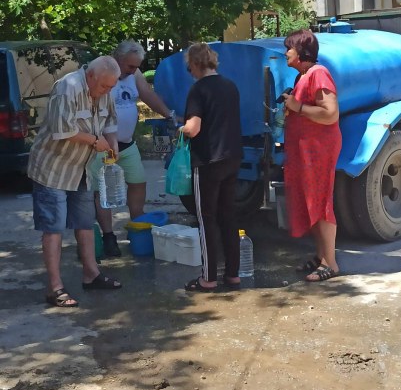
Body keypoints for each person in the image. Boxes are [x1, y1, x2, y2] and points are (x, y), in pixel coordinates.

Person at [28, 56, 123, 308]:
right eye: (104, 86)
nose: (107, 91)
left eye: (111, 87)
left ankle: (91, 274)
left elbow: (110, 122)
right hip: (52, 169)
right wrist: (94, 141)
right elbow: (62, 130)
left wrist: (112, 143)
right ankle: (55, 287)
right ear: (91, 76)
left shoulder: (106, 88)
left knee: (84, 222)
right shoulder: (67, 87)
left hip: (82, 168)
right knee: (54, 226)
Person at [89, 40, 175, 257]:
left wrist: (169, 115)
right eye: (130, 66)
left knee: (138, 183)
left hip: (127, 144)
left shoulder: (134, 76)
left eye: (137, 66)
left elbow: (147, 95)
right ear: (117, 59)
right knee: (103, 192)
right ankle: (109, 236)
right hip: (101, 145)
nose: (134, 70)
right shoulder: (101, 73)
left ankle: (137, 227)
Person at [181, 43, 242, 292]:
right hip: (233, 157)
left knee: (206, 219)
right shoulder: (230, 86)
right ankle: (233, 274)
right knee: (228, 216)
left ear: (195, 63)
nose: (190, 72)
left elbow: (193, 128)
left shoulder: (198, 90)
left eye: (189, 67)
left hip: (208, 160)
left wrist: (181, 129)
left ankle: (208, 277)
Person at [282, 29, 342, 282]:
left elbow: (331, 113)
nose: (286, 53)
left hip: (318, 149)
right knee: (311, 201)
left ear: (301, 52)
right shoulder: (304, 76)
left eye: (289, 48)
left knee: (321, 201)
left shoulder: (319, 73)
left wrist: (299, 107)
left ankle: (331, 263)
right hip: (305, 148)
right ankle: (320, 257)